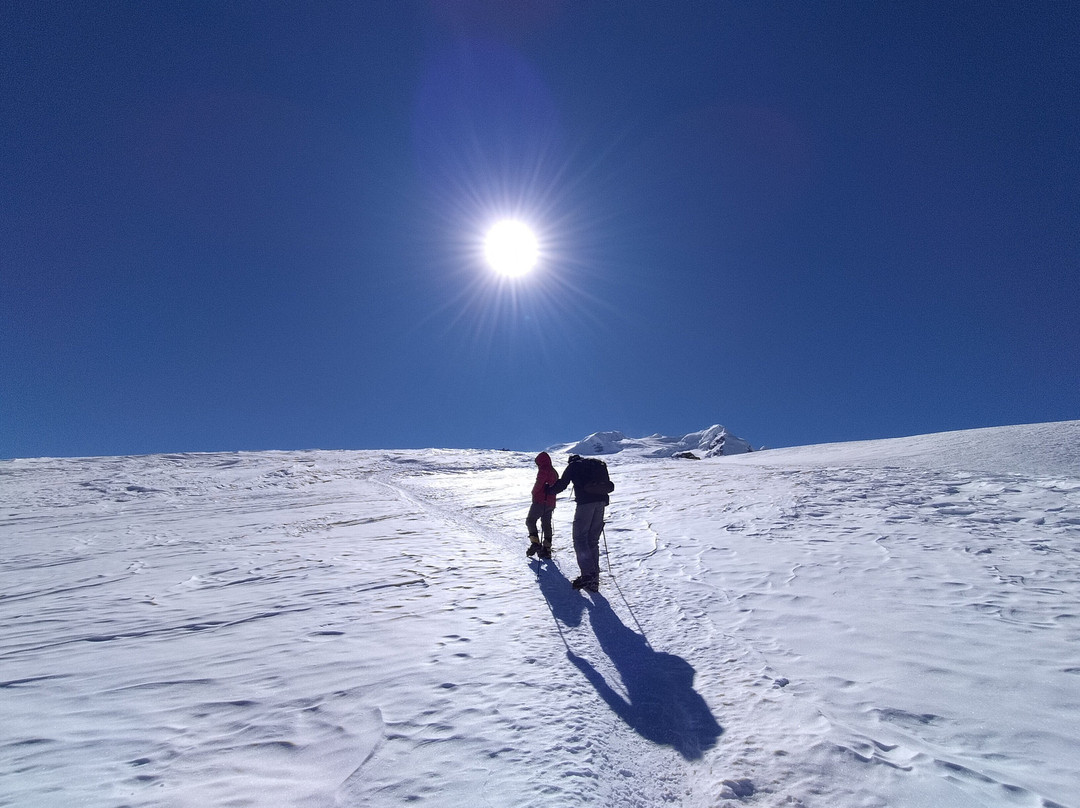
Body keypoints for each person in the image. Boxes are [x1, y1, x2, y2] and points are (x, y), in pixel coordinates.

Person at [548, 454, 614, 592]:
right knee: (593, 540)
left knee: (580, 538)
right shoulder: (598, 465)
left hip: (585, 504)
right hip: (600, 504)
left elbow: (562, 484)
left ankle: (587, 574)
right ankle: (594, 580)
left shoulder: (573, 466)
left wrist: (549, 491)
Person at [526, 451, 559, 559]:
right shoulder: (554, 471)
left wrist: (533, 493)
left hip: (540, 501)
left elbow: (539, 484)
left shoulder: (543, 469)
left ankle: (535, 543)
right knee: (546, 524)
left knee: (530, 521)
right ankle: (547, 549)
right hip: (551, 503)